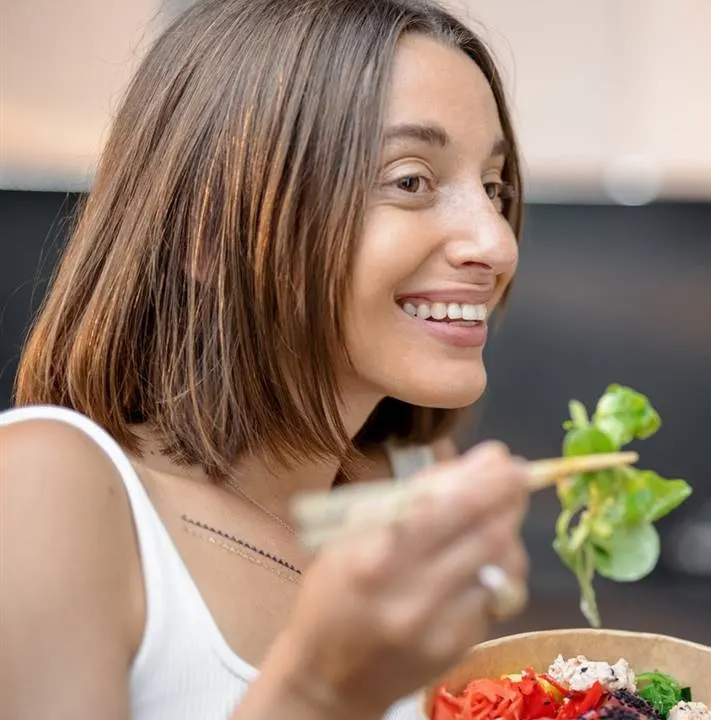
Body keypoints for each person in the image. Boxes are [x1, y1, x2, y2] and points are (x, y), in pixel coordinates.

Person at [0, 0, 535, 718]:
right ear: (208, 233)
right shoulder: (45, 485)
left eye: (494, 187)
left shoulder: (410, 493)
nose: (497, 244)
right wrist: (318, 691)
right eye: (412, 180)